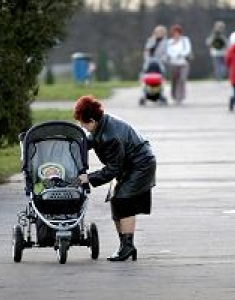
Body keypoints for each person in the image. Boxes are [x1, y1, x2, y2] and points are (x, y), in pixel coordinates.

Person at [74, 95, 156, 261]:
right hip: (130, 164)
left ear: (92, 120)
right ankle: (124, 246)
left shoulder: (111, 136)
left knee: (123, 201)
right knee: (116, 200)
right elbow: (92, 140)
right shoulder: (102, 124)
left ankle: (128, 246)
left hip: (140, 165)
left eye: (83, 122)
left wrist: (88, 178)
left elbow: (113, 168)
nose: (82, 126)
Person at [166, 24, 193, 103]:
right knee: (174, 80)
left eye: (178, 33)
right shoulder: (170, 42)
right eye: (174, 33)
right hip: (174, 63)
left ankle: (180, 96)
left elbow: (188, 50)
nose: (176, 34)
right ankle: (174, 95)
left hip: (183, 63)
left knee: (182, 79)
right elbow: (168, 52)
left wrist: (180, 54)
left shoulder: (185, 40)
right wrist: (174, 54)